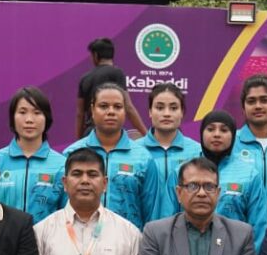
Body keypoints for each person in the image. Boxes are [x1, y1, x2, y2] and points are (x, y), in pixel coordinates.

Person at [64, 82, 162, 229]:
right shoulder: (71, 154)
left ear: (125, 111)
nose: (111, 112)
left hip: (129, 240)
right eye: (103, 106)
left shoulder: (143, 158)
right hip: (78, 238)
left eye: (117, 107)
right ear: (92, 110)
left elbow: (152, 214)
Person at [192, 109, 267, 249]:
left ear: (233, 135)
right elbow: (168, 220)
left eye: (224, 130)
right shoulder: (183, 172)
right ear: (201, 133)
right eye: (210, 129)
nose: (217, 134)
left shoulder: (250, 175)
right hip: (189, 254)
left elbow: (258, 226)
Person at [0, 86, 66, 223]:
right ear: (12, 117)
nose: (29, 120)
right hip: (2, 236)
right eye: (22, 112)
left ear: (46, 118)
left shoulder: (61, 165)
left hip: (46, 236)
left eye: (37, 113)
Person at [139, 83, 202, 220]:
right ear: (150, 112)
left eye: (173, 108)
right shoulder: (135, 151)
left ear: (182, 112)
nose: (166, 113)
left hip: (184, 229)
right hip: (140, 229)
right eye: (159, 107)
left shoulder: (197, 152)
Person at [73, 37, 146, 139]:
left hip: (90, 134)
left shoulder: (85, 78)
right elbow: (128, 107)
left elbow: (80, 114)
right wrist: (146, 135)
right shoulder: (117, 73)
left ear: (95, 55)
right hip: (110, 133)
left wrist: (78, 141)